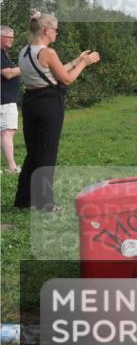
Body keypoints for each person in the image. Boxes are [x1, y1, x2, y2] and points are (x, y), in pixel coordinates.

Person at [14, 11, 100, 211]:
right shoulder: (48, 52)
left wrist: (77, 60)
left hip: (30, 102)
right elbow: (66, 79)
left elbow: (55, 70)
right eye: (55, 30)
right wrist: (85, 64)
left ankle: (23, 200)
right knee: (47, 153)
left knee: (34, 152)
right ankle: (45, 203)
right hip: (49, 104)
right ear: (46, 30)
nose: (57, 34)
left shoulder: (24, 51)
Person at [1, 26, 21, 174]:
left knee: (5, 132)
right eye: (9, 37)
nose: (12, 40)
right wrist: (25, 67)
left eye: (12, 37)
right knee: (8, 132)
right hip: (5, 100)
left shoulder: (4, 54)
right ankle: (12, 167)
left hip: (5, 99)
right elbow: (7, 74)